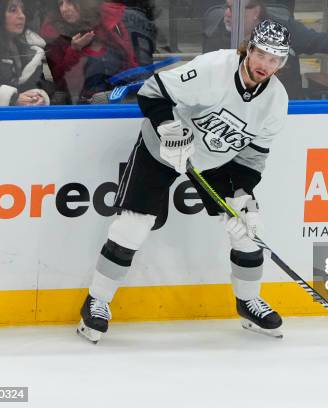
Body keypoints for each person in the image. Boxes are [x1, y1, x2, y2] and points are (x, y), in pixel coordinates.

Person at [77, 19, 291, 343]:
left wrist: (244, 197)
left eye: (275, 59)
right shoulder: (213, 68)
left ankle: (248, 302)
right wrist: (169, 130)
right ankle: (97, 301)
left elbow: (251, 158)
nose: (266, 64)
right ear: (250, 49)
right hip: (163, 146)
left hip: (216, 161)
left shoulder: (276, 101)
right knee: (132, 225)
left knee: (247, 229)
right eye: (261, 54)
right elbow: (152, 92)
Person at [203, 0, 328, 99]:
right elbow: (210, 76)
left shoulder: (282, 28)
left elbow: (314, 41)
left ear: (255, 12)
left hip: (284, 107)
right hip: (236, 107)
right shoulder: (215, 34)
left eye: (234, 8)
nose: (227, 14)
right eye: (227, 7)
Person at [40, 0, 154, 104]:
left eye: (70, 2)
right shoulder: (55, 35)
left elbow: (130, 61)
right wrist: (74, 50)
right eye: (60, 4)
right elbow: (60, 79)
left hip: (124, 100)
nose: (64, 9)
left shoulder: (110, 26)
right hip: (86, 108)